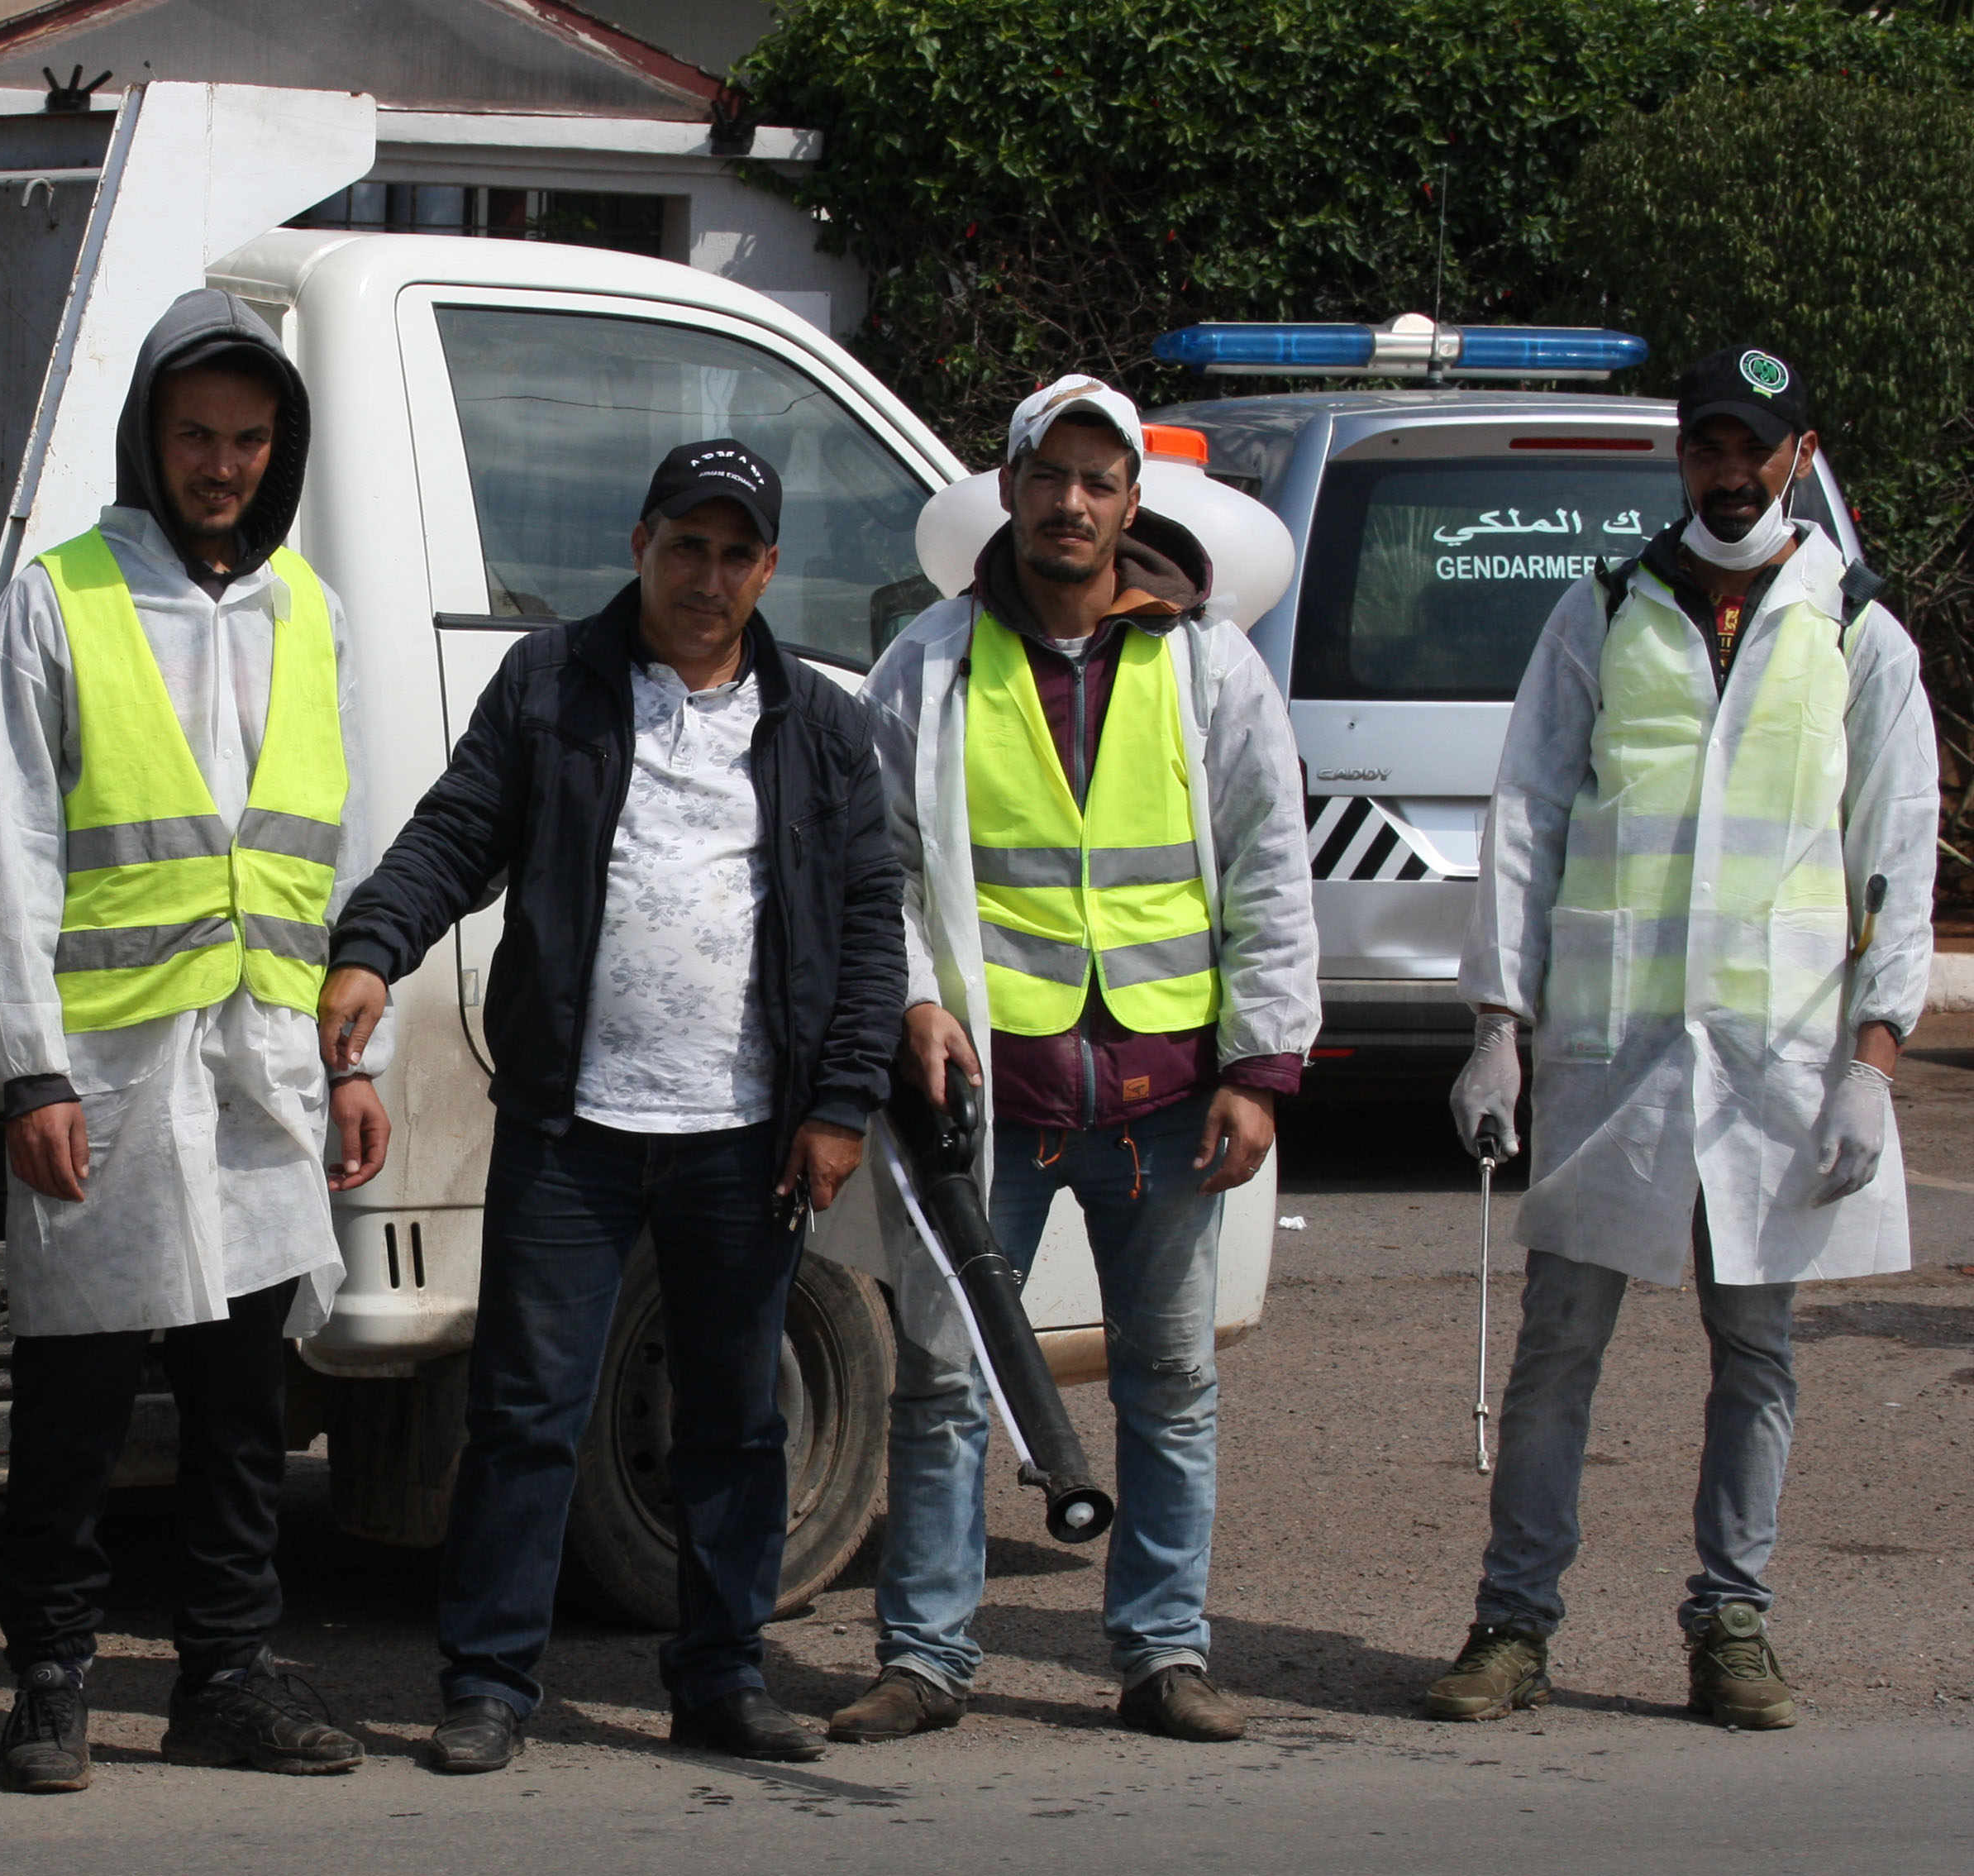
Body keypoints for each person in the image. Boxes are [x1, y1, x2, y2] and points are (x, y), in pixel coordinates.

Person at [321, 437, 904, 1774]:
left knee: (736, 1420)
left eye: (734, 553)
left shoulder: (818, 726)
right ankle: (486, 1686)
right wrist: (374, 944)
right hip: (570, 1125)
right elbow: (460, 831)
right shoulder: (551, 685)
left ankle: (722, 1677)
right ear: (639, 546)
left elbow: (869, 923)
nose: (706, 576)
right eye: (683, 546)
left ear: (767, 569)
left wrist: (839, 1104)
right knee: (528, 1411)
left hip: (747, 1133)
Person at [1430, 346, 1937, 1730]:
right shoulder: (1603, 614)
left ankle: (1733, 1623)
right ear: (1680, 455)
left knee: (1755, 1355)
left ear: (1799, 453)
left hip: (1778, 1064)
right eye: (1708, 446)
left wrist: (1874, 1068)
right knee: (1556, 1356)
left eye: (1754, 449)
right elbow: (1525, 822)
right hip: (1613, 1053)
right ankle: (1512, 1623)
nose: (1730, 471)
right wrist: (1498, 1027)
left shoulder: (1857, 630)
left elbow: (1892, 857)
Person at [827, 376, 1316, 1750]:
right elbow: (888, 874)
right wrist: (917, 1002)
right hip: (989, 1099)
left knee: (1171, 1385)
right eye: (1052, 477)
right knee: (939, 1378)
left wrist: (1260, 1067)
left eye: (1101, 481)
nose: (1074, 504)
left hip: (1169, 1102)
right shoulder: (929, 662)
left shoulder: (1209, 663)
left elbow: (1272, 870)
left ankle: (1165, 1652)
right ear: (1013, 488)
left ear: (1131, 502)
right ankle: (925, 1658)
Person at [0, 291, 391, 1792]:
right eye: (196, 436)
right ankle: (53, 1677)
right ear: (150, 435)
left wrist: (347, 1059)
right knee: (76, 1393)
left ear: (284, 449)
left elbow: (323, 846)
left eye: (250, 440)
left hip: (261, 1063)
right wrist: (28, 1067)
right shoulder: (61, 595)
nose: (223, 465)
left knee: (239, 1398)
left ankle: (224, 1670)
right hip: (111, 1067)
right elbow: (7, 842)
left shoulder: (309, 609)